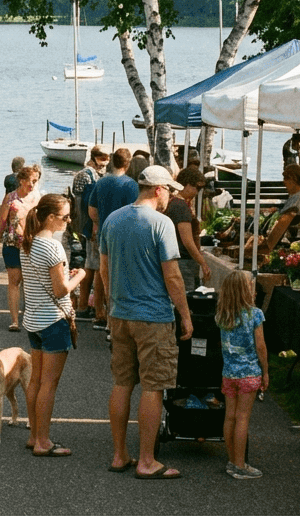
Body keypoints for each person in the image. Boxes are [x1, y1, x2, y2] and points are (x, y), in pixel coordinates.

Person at [99, 165, 192, 480]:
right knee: (153, 386)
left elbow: (104, 270)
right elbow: (173, 276)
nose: (171, 198)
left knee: (122, 382)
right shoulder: (161, 223)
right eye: (170, 192)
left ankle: (119, 454)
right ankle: (147, 460)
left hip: (120, 314)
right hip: (153, 317)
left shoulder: (113, 219)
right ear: (158, 189)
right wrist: (186, 315)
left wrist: (110, 304)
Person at [21, 193, 84, 457]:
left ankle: (34, 435)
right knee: (49, 384)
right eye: (65, 217)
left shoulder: (28, 243)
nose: (68, 221)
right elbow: (60, 290)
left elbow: (44, 280)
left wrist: (65, 276)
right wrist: (80, 276)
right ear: (50, 217)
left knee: (35, 380)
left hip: (34, 319)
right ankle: (43, 441)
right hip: (54, 320)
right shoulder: (53, 247)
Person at [216, 271, 268, 480]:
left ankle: (231, 460)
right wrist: (265, 371)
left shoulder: (222, 315)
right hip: (248, 373)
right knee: (243, 418)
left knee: (230, 416)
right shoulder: (255, 315)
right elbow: (260, 346)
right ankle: (240, 464)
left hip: (229, 374)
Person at [88, 148, 139, 332]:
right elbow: (135, 213)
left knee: (102, 274)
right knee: (120, 277)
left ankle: (100, 313)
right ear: (128, 163)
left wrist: (99, 223)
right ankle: (116, 319)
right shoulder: (131, 185)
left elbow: (92, 211)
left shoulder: (101, 182)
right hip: (124, 236)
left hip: (104, 232)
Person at [0, 164, 43, 332]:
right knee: (14, 281)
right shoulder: (11, 198)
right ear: (21, 180)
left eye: (35, 181)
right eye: (30, 181)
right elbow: (1, 223)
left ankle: (30, 317)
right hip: (12, 243)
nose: (32, 184)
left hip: (31, 245)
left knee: (30, 281)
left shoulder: (37, 198)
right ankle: (14, 320)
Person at [70, 146, 109, 319]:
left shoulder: (93, 175)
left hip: (87, 225)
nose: (104, 163)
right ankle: (85, 305)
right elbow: (84, 204)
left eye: (107, 159)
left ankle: (84, 304)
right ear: (93, 158)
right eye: (102, 159)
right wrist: (89, 226)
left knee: (90, 264)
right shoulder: (86, 176)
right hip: (89, 225)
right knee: (92, 265)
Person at [250, 164, 300, 257]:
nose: (284, 182)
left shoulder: (298, 198)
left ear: (293, 179)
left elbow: (285, 221)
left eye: (286, 178)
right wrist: (278, 210)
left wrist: (266, 246)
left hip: (297, 239)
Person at [167, 166, 211, 292]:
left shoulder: (173, 202)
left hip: (177, 260)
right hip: (184, 262)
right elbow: (187, 241)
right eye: (197, 188)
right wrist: (203, 263)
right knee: (187, 295)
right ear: (186, 184)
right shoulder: (181, 207)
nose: (197, 192)